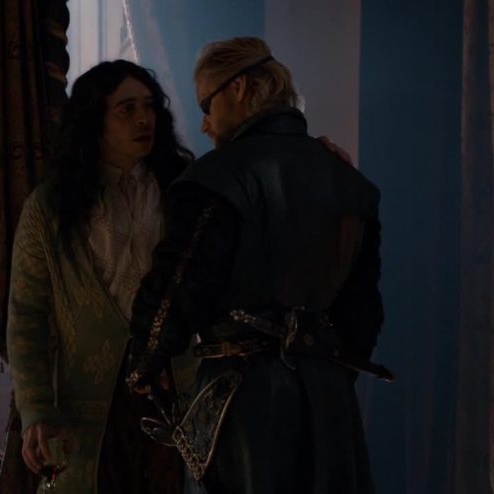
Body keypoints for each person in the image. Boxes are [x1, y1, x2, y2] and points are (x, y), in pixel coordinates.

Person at [126, 37, 388, 494]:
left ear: (240, 88)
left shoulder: (215, 178)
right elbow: (363, 314)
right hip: (329, 401)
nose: (205, 124)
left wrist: (144, 364)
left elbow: (177, 287)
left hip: (244, 402)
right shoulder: (349, 181)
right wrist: (325, 376)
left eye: (207, 104)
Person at [3, 60, 197, 494]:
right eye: (126, 109)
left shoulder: (183, 192)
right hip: (86, 403)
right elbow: (26, 317)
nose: (144, 118)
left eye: (149, 106)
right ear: (95, 121)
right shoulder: (51, 208)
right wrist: (37, 410)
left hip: (172, 392)